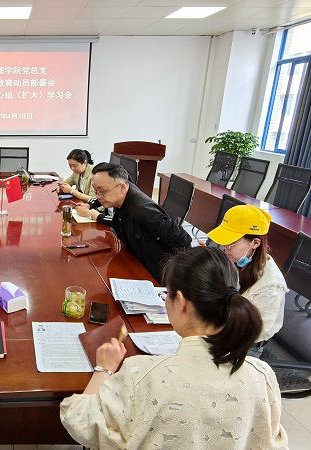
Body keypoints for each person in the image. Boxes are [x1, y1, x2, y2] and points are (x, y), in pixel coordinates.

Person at [60, 246, 288, 449]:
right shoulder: (263, 375)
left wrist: (104, 368)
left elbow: (78, 421)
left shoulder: (141, 375)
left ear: (180, 301)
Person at [76, 163, 191, 281]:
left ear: (122, 188)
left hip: (152, 273)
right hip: (132, 254)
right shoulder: (122, 190)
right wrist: (91, 205)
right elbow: (117, 220)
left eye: (102, 191)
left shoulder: (143, 211)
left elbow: (183, 240)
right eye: (95, 190)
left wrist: (172, 277)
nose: (98, 196)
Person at [207, 204, 287, 356]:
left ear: (255, 243)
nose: (224, 248)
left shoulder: (271, 286)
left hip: (244, 344)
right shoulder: (236, 259)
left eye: (231, 243)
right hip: (218, 326)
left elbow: (252, 332)